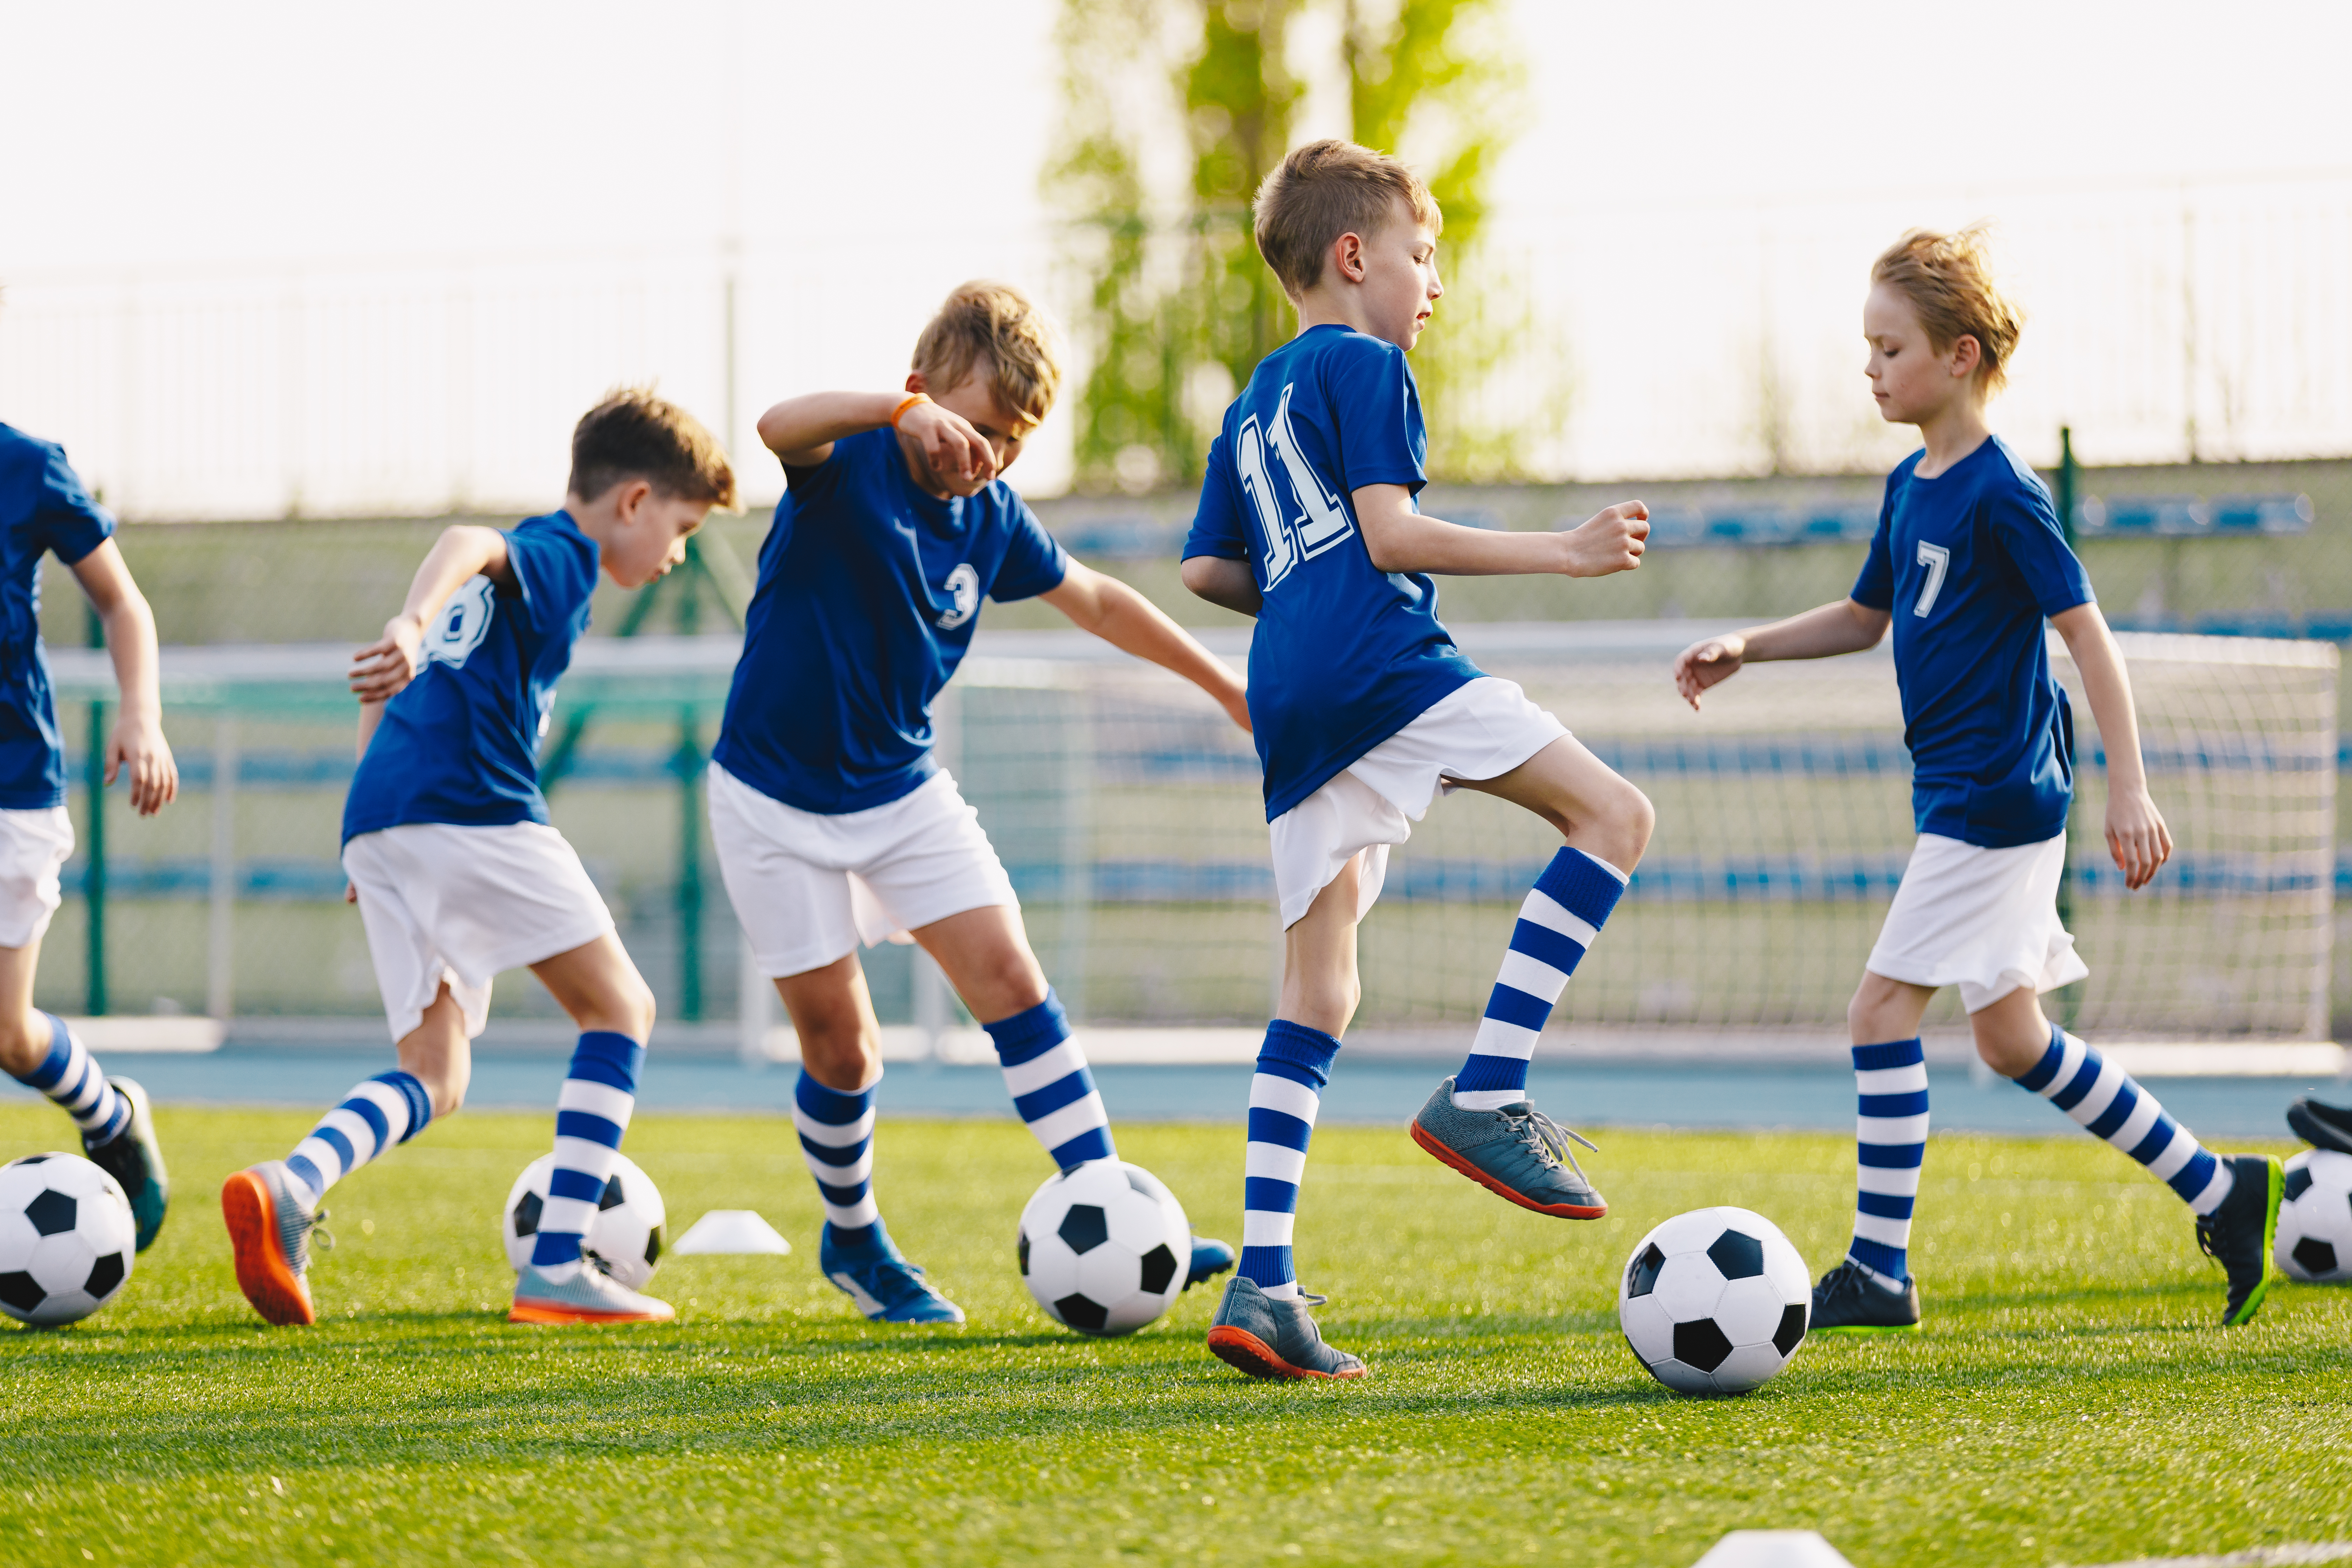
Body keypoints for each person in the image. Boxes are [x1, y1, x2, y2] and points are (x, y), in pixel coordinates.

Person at [1673, 226, 2282, 1331]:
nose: (1870, 368)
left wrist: (2130, 787)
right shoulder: (1911, 487)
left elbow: (2089, 638)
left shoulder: (2006, 492)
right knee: (2013, 1041)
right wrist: (1747, 646)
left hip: (1994, 800)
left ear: (1958, 356)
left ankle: (1879, 1269)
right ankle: (2222, 1187)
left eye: (1890, 347)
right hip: (1965, 797)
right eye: (1865, 347)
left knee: (1876, 1014)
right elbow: (1864, 618)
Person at [1180, 140, 1657, 1380]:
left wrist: (1302, 601)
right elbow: (1389, 536)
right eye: (1421, 256)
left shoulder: (1255, 397)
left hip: (1289, 691)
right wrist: (1566, 550)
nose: (1432, 283)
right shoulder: (1367, 365)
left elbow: (1206, 572)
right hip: (1383, 666)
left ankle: (1263, 1283)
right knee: (1613, 817)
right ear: (1355, 258)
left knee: (1317, 993)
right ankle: (1489, 1087)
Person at [713, 281, 1246, 1325]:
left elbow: (1095, 598)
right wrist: (893, 412)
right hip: (770, 797)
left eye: (1012, 442)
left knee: (1009, 975)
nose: (989, 455)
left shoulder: (991, 516)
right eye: (976, 425)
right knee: (844, 1049)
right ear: (921, 394)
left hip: (902, 791)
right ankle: (855, 1239)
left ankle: (1111, 1207)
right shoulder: (851, 461)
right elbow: (779, 424)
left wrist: (1226, 686)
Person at [221, 388, 735, 1327]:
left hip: (388, 815)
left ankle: (290, 1185)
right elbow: (470, 537)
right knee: (622, 1007)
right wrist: (412, 622)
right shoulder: (563, 554)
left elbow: (393, 689)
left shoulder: (535, 582)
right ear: (633, 503)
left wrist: (370, 822)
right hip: (473, 809)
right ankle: (556, 1267)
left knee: (436, 1073)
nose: (678, 555)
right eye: (683, 526)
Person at [0, 424, 176, 1251]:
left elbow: (120, 599)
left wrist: (141, 715)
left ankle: (109, 1113)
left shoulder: (28, 465)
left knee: (8, 1033)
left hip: (13, 787)